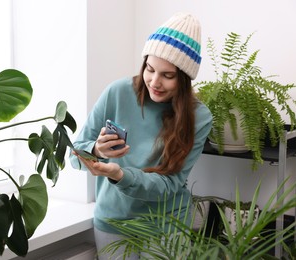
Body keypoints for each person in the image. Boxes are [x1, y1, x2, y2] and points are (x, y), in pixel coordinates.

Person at [69, 12, 212, 259]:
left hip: (166, 228)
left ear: (185, 79)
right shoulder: (117, 92)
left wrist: (121, 175)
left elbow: (169, 184)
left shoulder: (199, 117)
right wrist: (96, 151)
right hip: (114, 223)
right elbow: (74, 155)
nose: (154, 82)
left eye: (167, 76)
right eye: (150, 69)